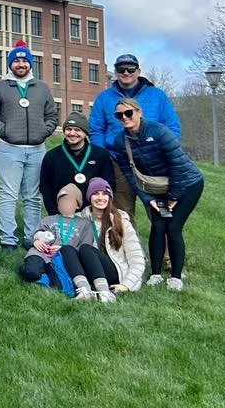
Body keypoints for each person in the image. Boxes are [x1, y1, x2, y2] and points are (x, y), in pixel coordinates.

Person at [115, 97, 202, 290]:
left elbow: (177, 165)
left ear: (139, 113)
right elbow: (130, 174)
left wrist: (173, 197)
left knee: (173, 227)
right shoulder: (121, 140)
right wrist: (148, 198)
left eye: (128, 113)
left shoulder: (160, 132)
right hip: (158, 188)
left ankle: (176, 277)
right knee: (157, 226)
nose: (124, 117)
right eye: (119, 115)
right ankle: (155, 274)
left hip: (187, 185)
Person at [0, 41, 58, 250]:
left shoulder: (42, 88)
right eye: (16, 60)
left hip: (37, 149)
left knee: (33, 197)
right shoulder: (0, 87)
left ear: (30, 64)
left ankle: (32, 236)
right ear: (10, 64)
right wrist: (6, 132)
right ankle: (8, 238)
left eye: (25, 60)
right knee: (8, 194)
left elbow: (52, 115)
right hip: (9, 149)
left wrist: (43, 132)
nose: (21, 64)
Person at [89, 53, 182, 221]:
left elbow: (173, 128)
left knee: (160, 215)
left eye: (130, 69)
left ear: (138, 71)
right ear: (115, 72)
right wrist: (104, 155)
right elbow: (96, 130)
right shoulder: (104, 98)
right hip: (118, 162)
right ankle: (128, 247)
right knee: (122, 215)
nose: (126, 72)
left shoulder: (157, 95)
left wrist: (163, 153)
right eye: (121, 69)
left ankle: (163, 248)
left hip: (152, 163)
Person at [20, 184, 116, 302]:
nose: (65, 204)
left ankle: (54, 280)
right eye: (62, 201)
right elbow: (33, 236)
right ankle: (48, 277)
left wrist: (61, 247)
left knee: (61, 279)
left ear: (77, 205)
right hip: (41, 253)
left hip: (66, 257)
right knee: (30, 272)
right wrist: (36, 242)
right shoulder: (48, 219)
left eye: (69, 201)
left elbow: (85, 248)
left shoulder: (84, 224)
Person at [37, 113, 116, 214]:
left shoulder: (100, 155)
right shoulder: (52, 156)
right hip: (62, 213)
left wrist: (100, 210)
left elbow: (109, 184)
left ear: (85, 133)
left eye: (77, 130)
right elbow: (45, 188)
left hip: (93, 212)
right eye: (69, 129)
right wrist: (55, 213)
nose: (72, 133)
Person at [85, 177, 145, 294]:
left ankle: (103, 291)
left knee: (86, 249)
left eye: (105, 194)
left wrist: (126, 285)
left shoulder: (121, 221)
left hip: (115, 273)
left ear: (110, 197)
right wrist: (39, 237)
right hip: (89, 269)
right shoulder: (81, 218)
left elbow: (137, 258)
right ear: (89, 197)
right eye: (96, 194)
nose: (101, 198)